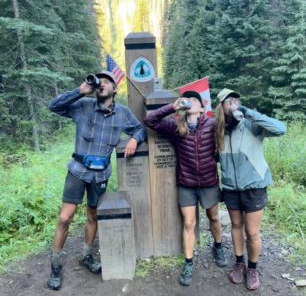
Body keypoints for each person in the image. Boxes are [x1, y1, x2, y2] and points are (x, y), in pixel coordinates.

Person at [47, 71, 146, 290]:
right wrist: (80, 91)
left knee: (93, 215)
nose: (101, 84)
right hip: (77, 170)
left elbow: (141, 128)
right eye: (99, 81)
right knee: (65, 217)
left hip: (101, 174)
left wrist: (133, 139)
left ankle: (86, 255)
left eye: (107, 81)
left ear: (114, 89)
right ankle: (55, 265)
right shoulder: (82, 105)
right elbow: (54, 106)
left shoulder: (122, 113)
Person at [144, 91, 228, 287]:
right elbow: (151, 121)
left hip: (209, 182)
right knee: (189, 223)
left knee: (214, 217)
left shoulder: (211, 125)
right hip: (186, 184)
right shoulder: (176, 126)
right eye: (187, 100)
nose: (191, 103)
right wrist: (172, 107)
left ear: (201, 107)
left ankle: (218, 246)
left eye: (194, 101)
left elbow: (228, 125)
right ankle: (189, 263)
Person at [214, 88, 286, 290]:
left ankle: (252, 268)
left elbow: (281, 129)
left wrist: (248, 111)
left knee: (252, 232)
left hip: (254, 186)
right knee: (236, 226)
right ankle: (239, 263)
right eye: (229, 101)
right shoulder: (218, 131)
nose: (234, 104)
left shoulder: (252, 124)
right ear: (221, 107)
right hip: (230, 189)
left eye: (237, 100)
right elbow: (214, 158)